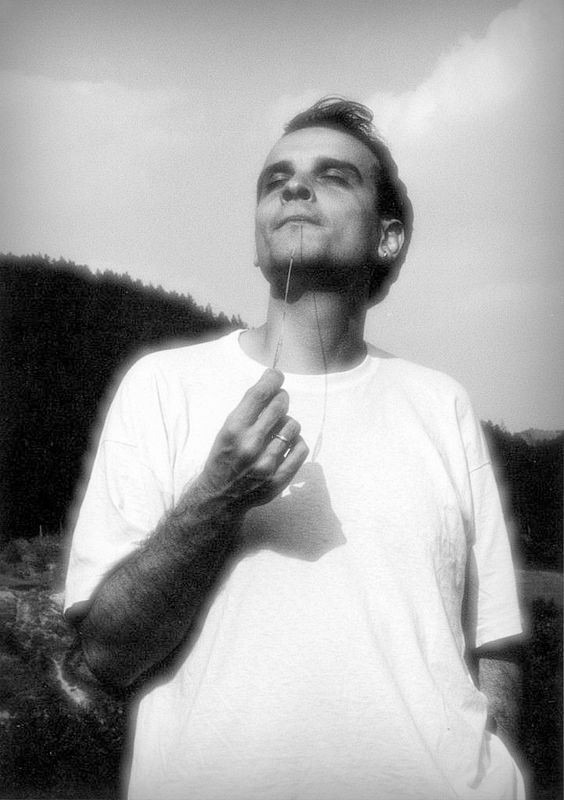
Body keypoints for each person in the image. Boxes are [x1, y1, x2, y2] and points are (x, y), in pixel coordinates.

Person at [64, 97, 525, 800]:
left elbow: (493, 640)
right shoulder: (161, 386)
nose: (294, 188)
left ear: (388, 238)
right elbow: (105, 654)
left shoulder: (442, 405)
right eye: (274, 180)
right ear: (258, 240)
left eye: (333, 176)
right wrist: (218, 498)